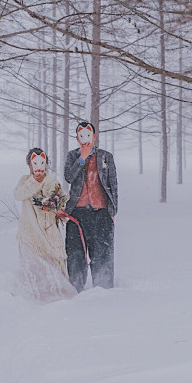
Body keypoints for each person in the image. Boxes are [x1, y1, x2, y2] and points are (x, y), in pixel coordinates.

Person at [13, 147, 76, 303]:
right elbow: (18, 195)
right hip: (30, 232)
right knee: (32, 263)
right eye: (35, 163)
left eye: (42, 162)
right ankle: (33, 295)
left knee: (52, 261)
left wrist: (58, 209)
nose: (39, 166)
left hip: (48, 230)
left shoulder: (53, 182)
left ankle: (56, 294)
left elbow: (60, 202)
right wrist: (34, 181)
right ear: (29, 165)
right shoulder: (24, 181)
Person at [64, 121, 118, 292]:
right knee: (75, 255)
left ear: (94, 137)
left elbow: (113, 184)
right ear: (77, 138)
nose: (85, 139)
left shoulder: (106, 157)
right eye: (81, 136)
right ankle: (75, 290)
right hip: (76, 213)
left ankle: (104, 290)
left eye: (88, 135)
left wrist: (112, 210)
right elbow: (69, 177)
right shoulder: (73, 156)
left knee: (102, 253)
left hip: (101, 212)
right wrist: (82, 158)